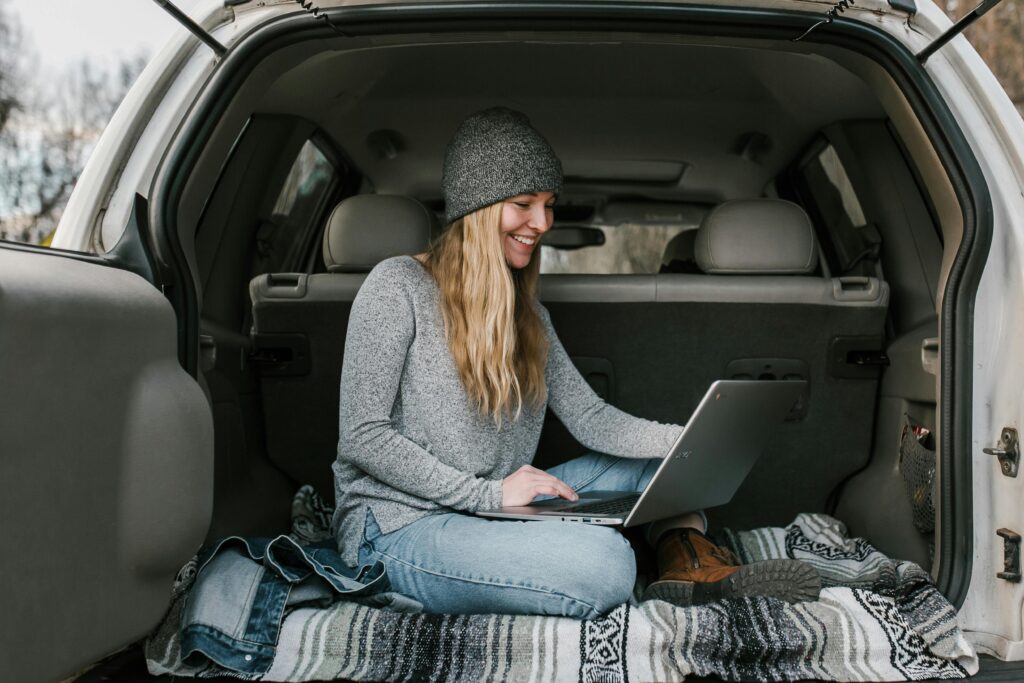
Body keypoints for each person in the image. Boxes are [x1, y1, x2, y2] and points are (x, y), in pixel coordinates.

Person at [330, 106, 819, 619]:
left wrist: (686, 441)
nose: (542, 223)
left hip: (495, 506)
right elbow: (363, 437)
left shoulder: (529, 316)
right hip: (400, 525)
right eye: (523, 204)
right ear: (477, 208)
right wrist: (486, 495)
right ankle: (625, 556)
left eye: (548, 205)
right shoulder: (396, 286)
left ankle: (688, 567)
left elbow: (590, 416)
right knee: (605, 566)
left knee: (667, 471)